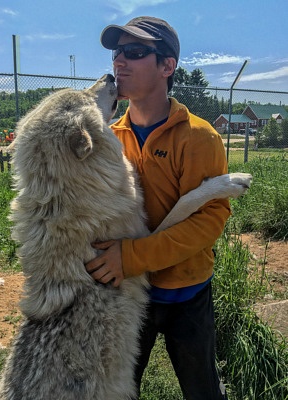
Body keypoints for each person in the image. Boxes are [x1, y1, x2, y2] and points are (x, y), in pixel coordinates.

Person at [86, 16, 230, 400]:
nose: (119, 62)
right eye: (118, 52)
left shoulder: (199, 137)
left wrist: (131, 257)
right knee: (119, 390)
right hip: (131, 296)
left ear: (167, 66)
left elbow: (209, 220)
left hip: (188, 293)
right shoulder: (109, 138)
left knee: (202, 390)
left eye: (134, 53)